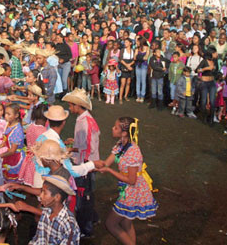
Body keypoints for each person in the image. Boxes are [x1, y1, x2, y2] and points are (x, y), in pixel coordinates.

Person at [98, 117, 158, 245]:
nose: (112, 129)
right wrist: (90, 165)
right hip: (127, 188)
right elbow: (106, 163)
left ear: (124, 133)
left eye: (115, 127)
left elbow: (131, 180)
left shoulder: (133, 152)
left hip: (132, 190)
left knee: (111, 224)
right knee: (126, 222)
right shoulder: (121, 144)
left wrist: (109, 171)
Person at [63, 88, 100, 237]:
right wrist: (75, 143)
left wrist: (72, 148)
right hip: (87, 161)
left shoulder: (84, 122)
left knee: (84, 196)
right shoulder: (85, 119)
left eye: (71, 105)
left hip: (86, 163)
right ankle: (92, 219)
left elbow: (86, 147)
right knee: (86, 195)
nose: (70, 108)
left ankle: (86, 228)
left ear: (78, 106)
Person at [27, 175, 81, 245]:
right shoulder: (46, 212)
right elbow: (39, 238)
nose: (40, 196)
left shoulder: (68, 224)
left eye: (44, 193)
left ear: (57, 197)